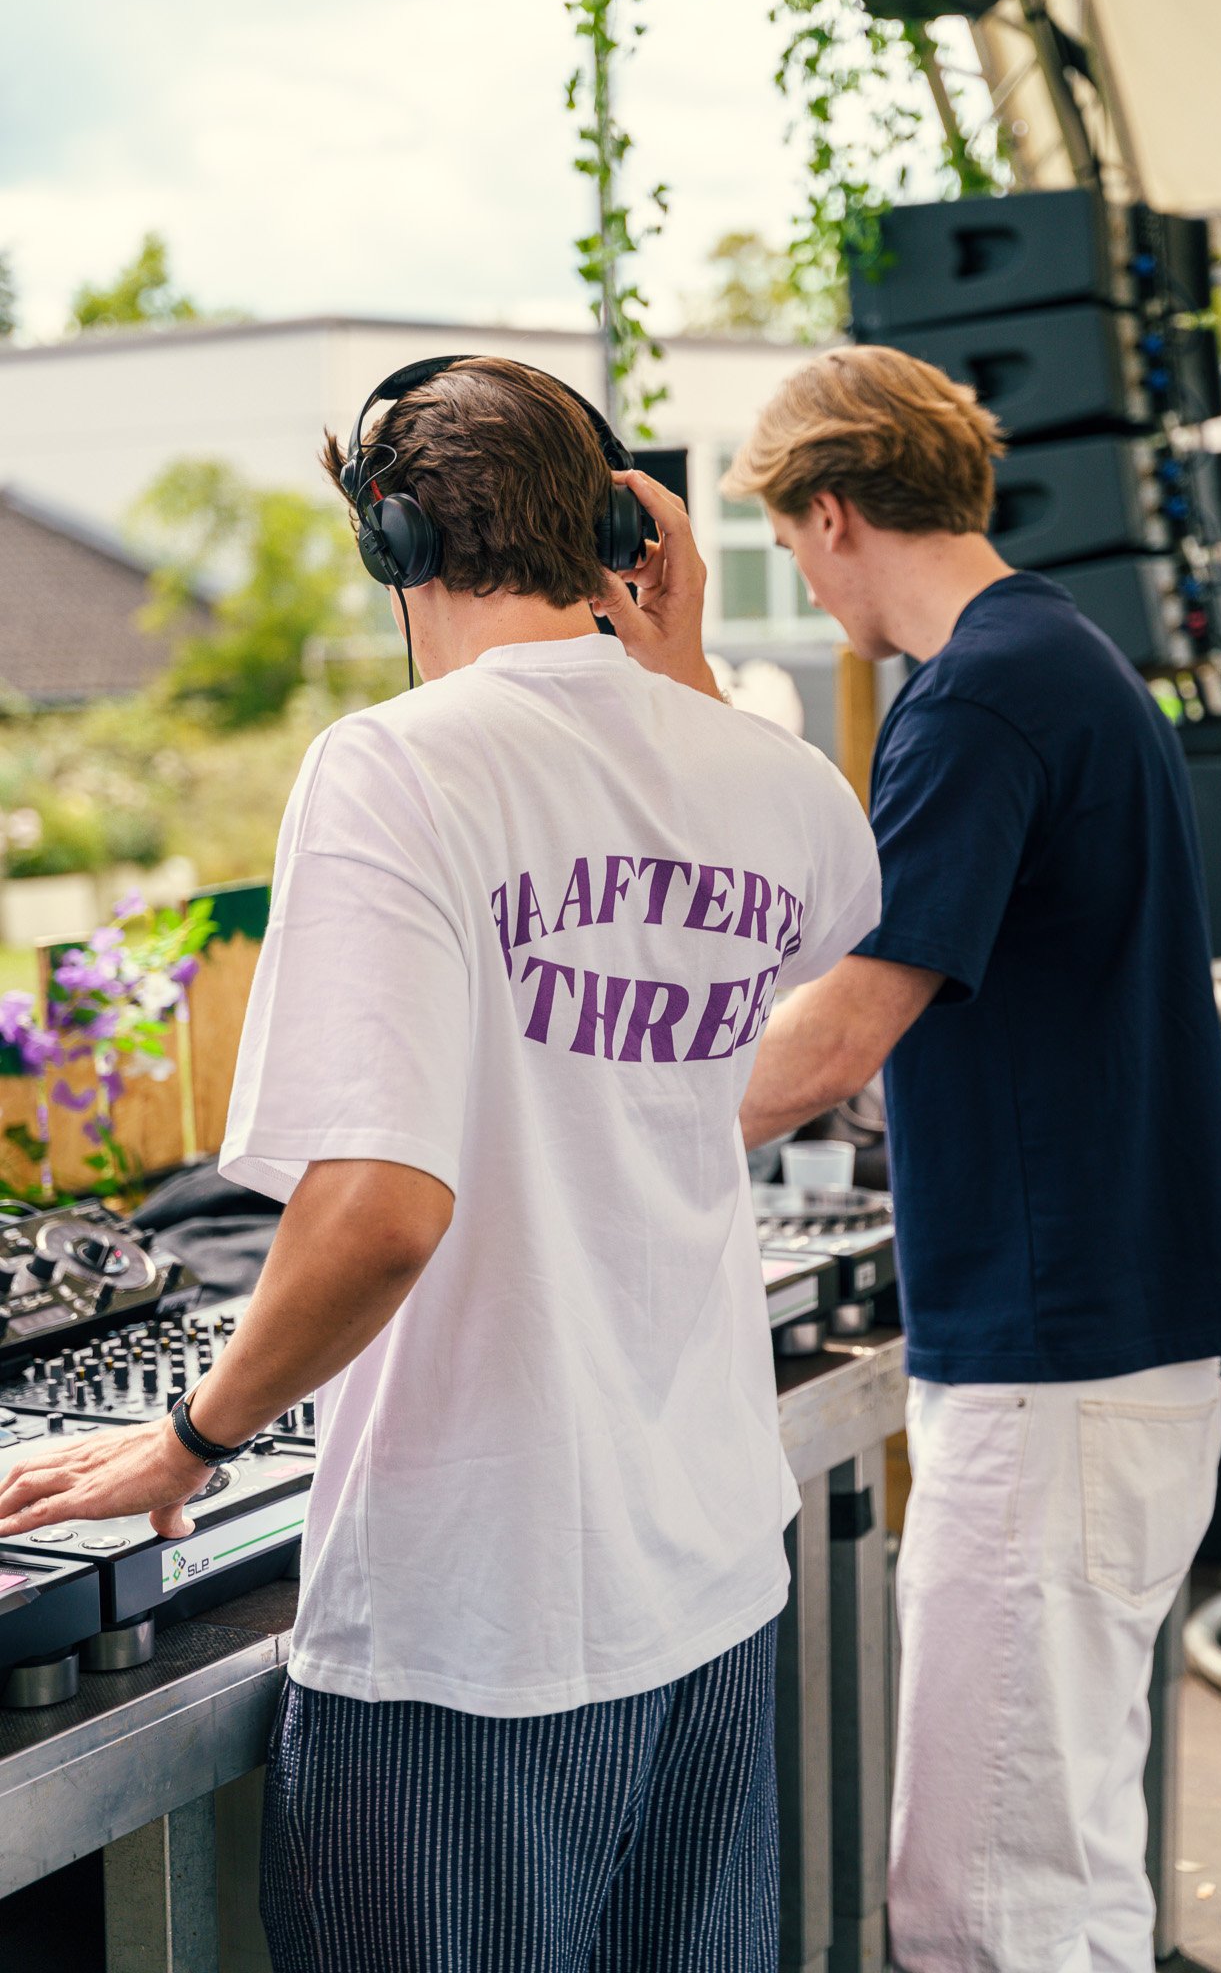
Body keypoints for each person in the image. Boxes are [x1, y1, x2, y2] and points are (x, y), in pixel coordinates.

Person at [0, 356, 881, 1973]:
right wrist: (670, 661)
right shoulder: (783, 787)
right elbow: (803, 913)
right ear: (616, 526)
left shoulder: (396, 767)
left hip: (477, 1621)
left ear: (394, 541)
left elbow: (384, 1210)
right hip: (706, 1579)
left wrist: (189, 1440)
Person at [727, 345, 1221, 1973]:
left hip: (1054, 1378)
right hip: (1108, 1362)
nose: (806, 584)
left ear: (829, 514)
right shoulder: (1060, 655)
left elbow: (836, 1038)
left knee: (985, 1906)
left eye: (789, 546)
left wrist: (591, 1142)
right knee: (1065, 1869)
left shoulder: (974, 695)